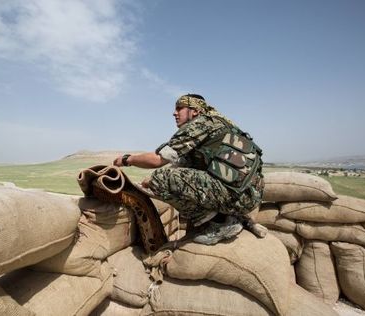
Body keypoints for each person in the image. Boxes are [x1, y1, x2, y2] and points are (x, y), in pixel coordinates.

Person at [113, 94, 264, 245]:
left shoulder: (200, 124)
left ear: (195, 111)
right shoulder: (223, 125)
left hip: (235, 194)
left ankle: (221, 224)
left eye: (179, 108)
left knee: (161, 178)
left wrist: (127, 160)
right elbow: (181, 162)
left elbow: (157, 160)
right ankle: (237, 217)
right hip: (249, 195)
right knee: (180, 172)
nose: (174, 113)